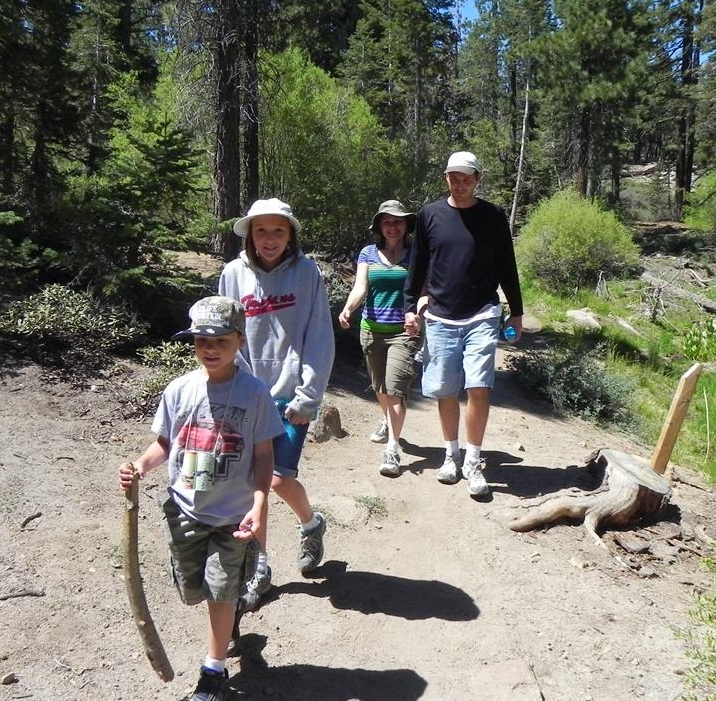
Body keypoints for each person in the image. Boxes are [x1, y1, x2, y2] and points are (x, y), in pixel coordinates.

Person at [117, 296, 283, 701]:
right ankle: (232, 614)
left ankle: (214, 671)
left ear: (240, 341)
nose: (210, 349)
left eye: (221, 341)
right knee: (195, 589)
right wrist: (140, 465)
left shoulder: (255, 394)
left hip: (233, 515)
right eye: (201, 341)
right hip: (185, 511)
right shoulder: (179, 390)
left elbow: (264, 455)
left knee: (219, 592)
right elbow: (164, 443)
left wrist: (259, 503)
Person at [218, 197, 335, 611]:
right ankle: (259, 568)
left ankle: (310, 523)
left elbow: (319, 336)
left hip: (290, 396)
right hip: (246, 395)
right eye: (261, 231)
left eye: (278, 231)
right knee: (255, 485)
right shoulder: (232, 274)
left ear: (291, 235)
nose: (269, 239)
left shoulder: (307, 274)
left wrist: (308, 397)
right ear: (250, 234)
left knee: (276, 480)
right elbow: (224, 334)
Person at [403, 151, 523, 498]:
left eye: (467, 178)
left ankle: (472, 460)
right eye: (454, 177)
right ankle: (450, 454)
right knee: (444, 388)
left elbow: (506, 265)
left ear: (478, 180)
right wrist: (411, 306)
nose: (460, 184)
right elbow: (419, 264)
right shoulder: (430, 215)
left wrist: (515, 311)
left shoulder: (493, 216)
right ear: (446, 178)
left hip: (483, 313)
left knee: (479, 386)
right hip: (440, 315)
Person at [338, 199, 423, 477]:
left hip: (403, 332)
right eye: (387, 222)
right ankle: (387, 421)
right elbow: (360, 287)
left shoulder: (416, 255)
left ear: (406, 225)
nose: (393, 226)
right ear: (380, 227)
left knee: (396, 391)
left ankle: (392, 449)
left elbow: (425, 291)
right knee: (380, 387)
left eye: (398, 221)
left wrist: (419, 315)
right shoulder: (368, 253)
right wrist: (348, 309)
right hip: (371, 329)